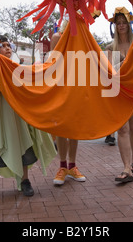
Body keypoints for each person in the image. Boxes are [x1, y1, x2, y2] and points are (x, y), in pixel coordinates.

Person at [0, 36, 57, 198]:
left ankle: (25, 181)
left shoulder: (17, 68)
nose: (8, 48)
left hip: (17, 119)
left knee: (22, 146)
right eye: (3, 46)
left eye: (9, 45)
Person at [105, 7, 133, 183]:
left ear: (129, 25)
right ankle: (126, 167)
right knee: (123, 128)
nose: (121, 26)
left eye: (124, 23)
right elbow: (109, 73)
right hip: (119, 93)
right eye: (118, 23)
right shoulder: (110, 48)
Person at [50, 22, 87, 185]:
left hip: (78, 85)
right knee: (61, 128)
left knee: (74, 129)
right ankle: (62, 166)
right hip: (60, 86)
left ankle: (72, 166)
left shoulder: (83, 35)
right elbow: (52, 62)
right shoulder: (57, 37)